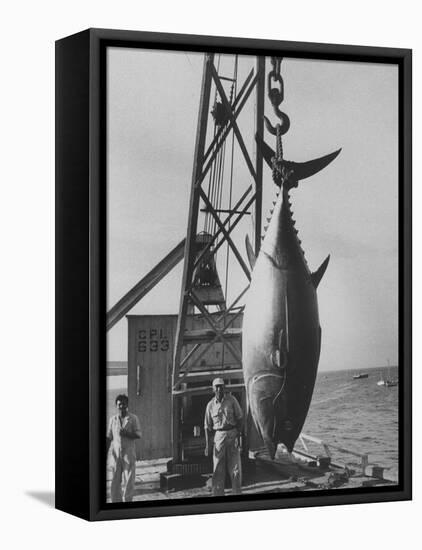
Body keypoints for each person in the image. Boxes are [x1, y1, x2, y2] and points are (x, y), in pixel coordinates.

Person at [204, 378, 243, 496]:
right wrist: (207, 445)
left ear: (224, 388)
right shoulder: (210, 405)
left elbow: (240, 418)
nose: (219, 389)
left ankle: (237, 495)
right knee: (218, 469)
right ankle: (218, 496)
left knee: (235, 469)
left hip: (232, 434)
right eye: (216, 386)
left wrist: (238, 435)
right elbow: (207, 426)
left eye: (221, 386)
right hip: (218, 436)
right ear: (213, 389)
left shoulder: (232, 400)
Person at [106, 394, 141, 503]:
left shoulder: (133, 418)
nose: (121, 406)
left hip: (128, 455)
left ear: (127, 405)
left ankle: (127, 502)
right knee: (115, 481)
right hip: (116, 455)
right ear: (116, 406)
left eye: (124, 404)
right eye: (119, 404)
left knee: (129, 480)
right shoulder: (113, 420)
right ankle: (116, 503)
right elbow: (108, 437)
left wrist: (127, 433)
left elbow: (138, 435)